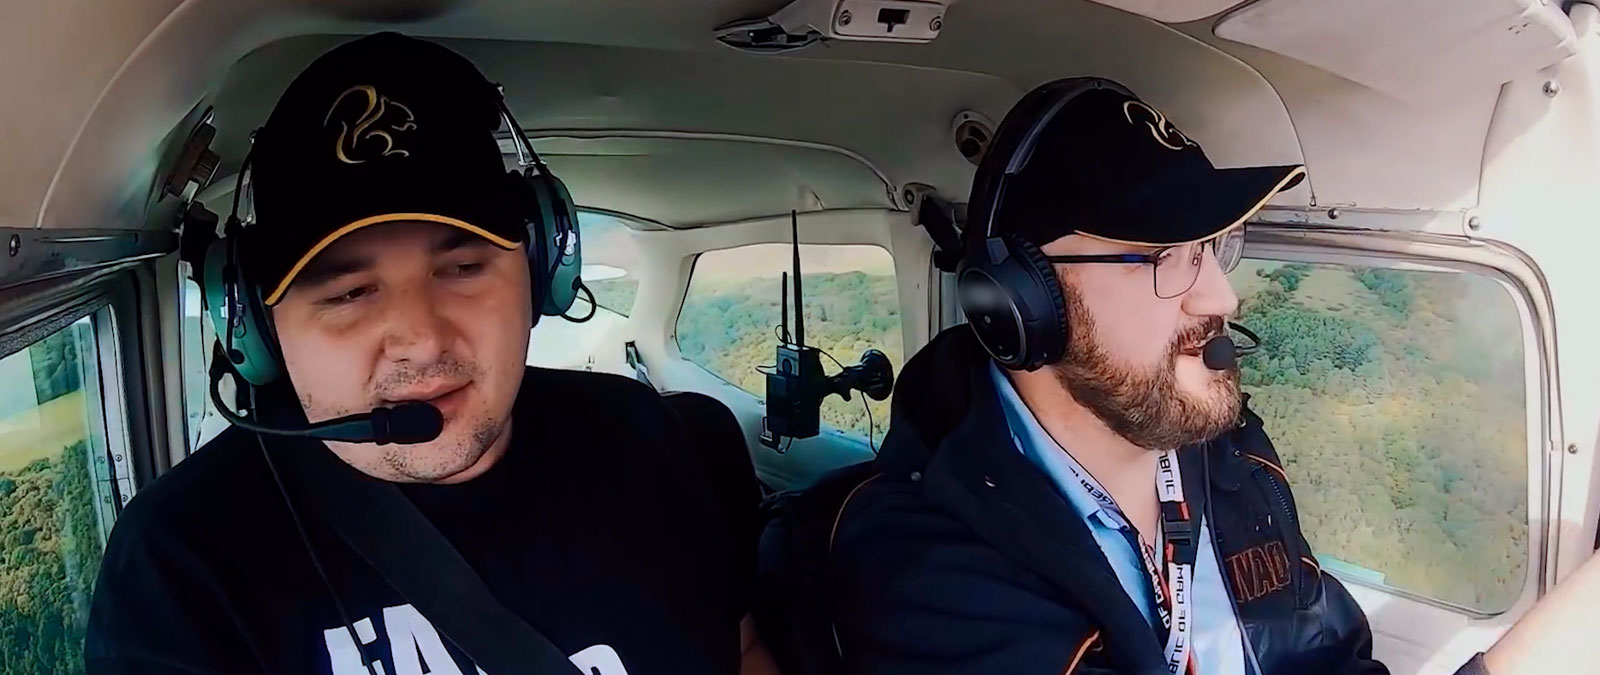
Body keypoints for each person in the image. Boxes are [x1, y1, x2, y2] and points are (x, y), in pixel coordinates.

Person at [85, 32, 775, 675]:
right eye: (350, 291)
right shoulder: (182, 563)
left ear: (540, 270)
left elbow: (738, 648)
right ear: (255, 327)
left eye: (464, 268)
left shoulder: (647, 437)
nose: (420, 338)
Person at [825, 78, 1505, 675]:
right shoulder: (923, 573)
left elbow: (1324, 659)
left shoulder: (1236, 459)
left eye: (1212, 247)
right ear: (1020, 304)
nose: (1221, 296)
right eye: (1164, 254)